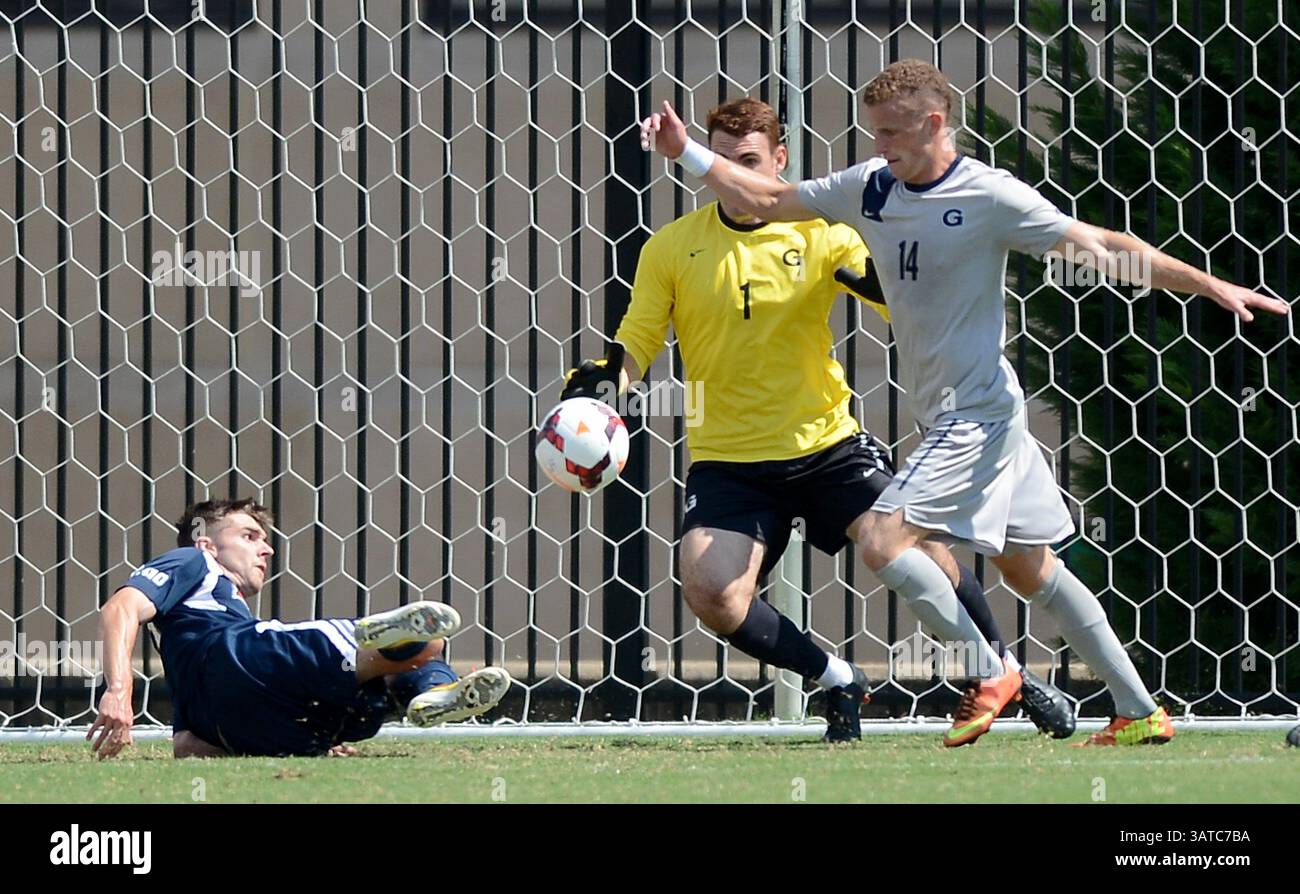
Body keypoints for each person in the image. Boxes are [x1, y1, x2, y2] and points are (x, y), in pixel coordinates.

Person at [639, 61, 1288, 745]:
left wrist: (1211, 285)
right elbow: (768, 200)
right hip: (973, 413)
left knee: (885, 542)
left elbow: (1102, 248)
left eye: (892, 131)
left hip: (975, 413)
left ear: (935, 123)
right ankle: (1138, 710)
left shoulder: (991, 197)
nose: (879, 144)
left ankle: (990, 672)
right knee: (1029, 567)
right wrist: (687, 151)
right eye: (874, 131)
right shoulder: (868, 188)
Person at [564, 97, 1073, 744]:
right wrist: (602, 394)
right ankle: (835, 678)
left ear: (779, 162)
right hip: (730, 461)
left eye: (748, 161)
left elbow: (901, 301)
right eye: (720, 160)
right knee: (712, 592)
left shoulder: (823, 234)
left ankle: (1006, 676)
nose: (733, 173)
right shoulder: (673, 248)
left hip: (828, 446)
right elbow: (636, 340)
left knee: (922, 550)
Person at [88, 498, 511, 759]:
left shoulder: (193, 638)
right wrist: (119, 691)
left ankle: (433, 694)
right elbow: (120, 607)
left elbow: (186, 746)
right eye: (250, 536)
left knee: (416, 656)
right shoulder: (193, 562)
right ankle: (377, 645)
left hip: (245, 726)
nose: (267, 548)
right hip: (240, 661)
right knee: (424, 640)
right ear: (206, 542)